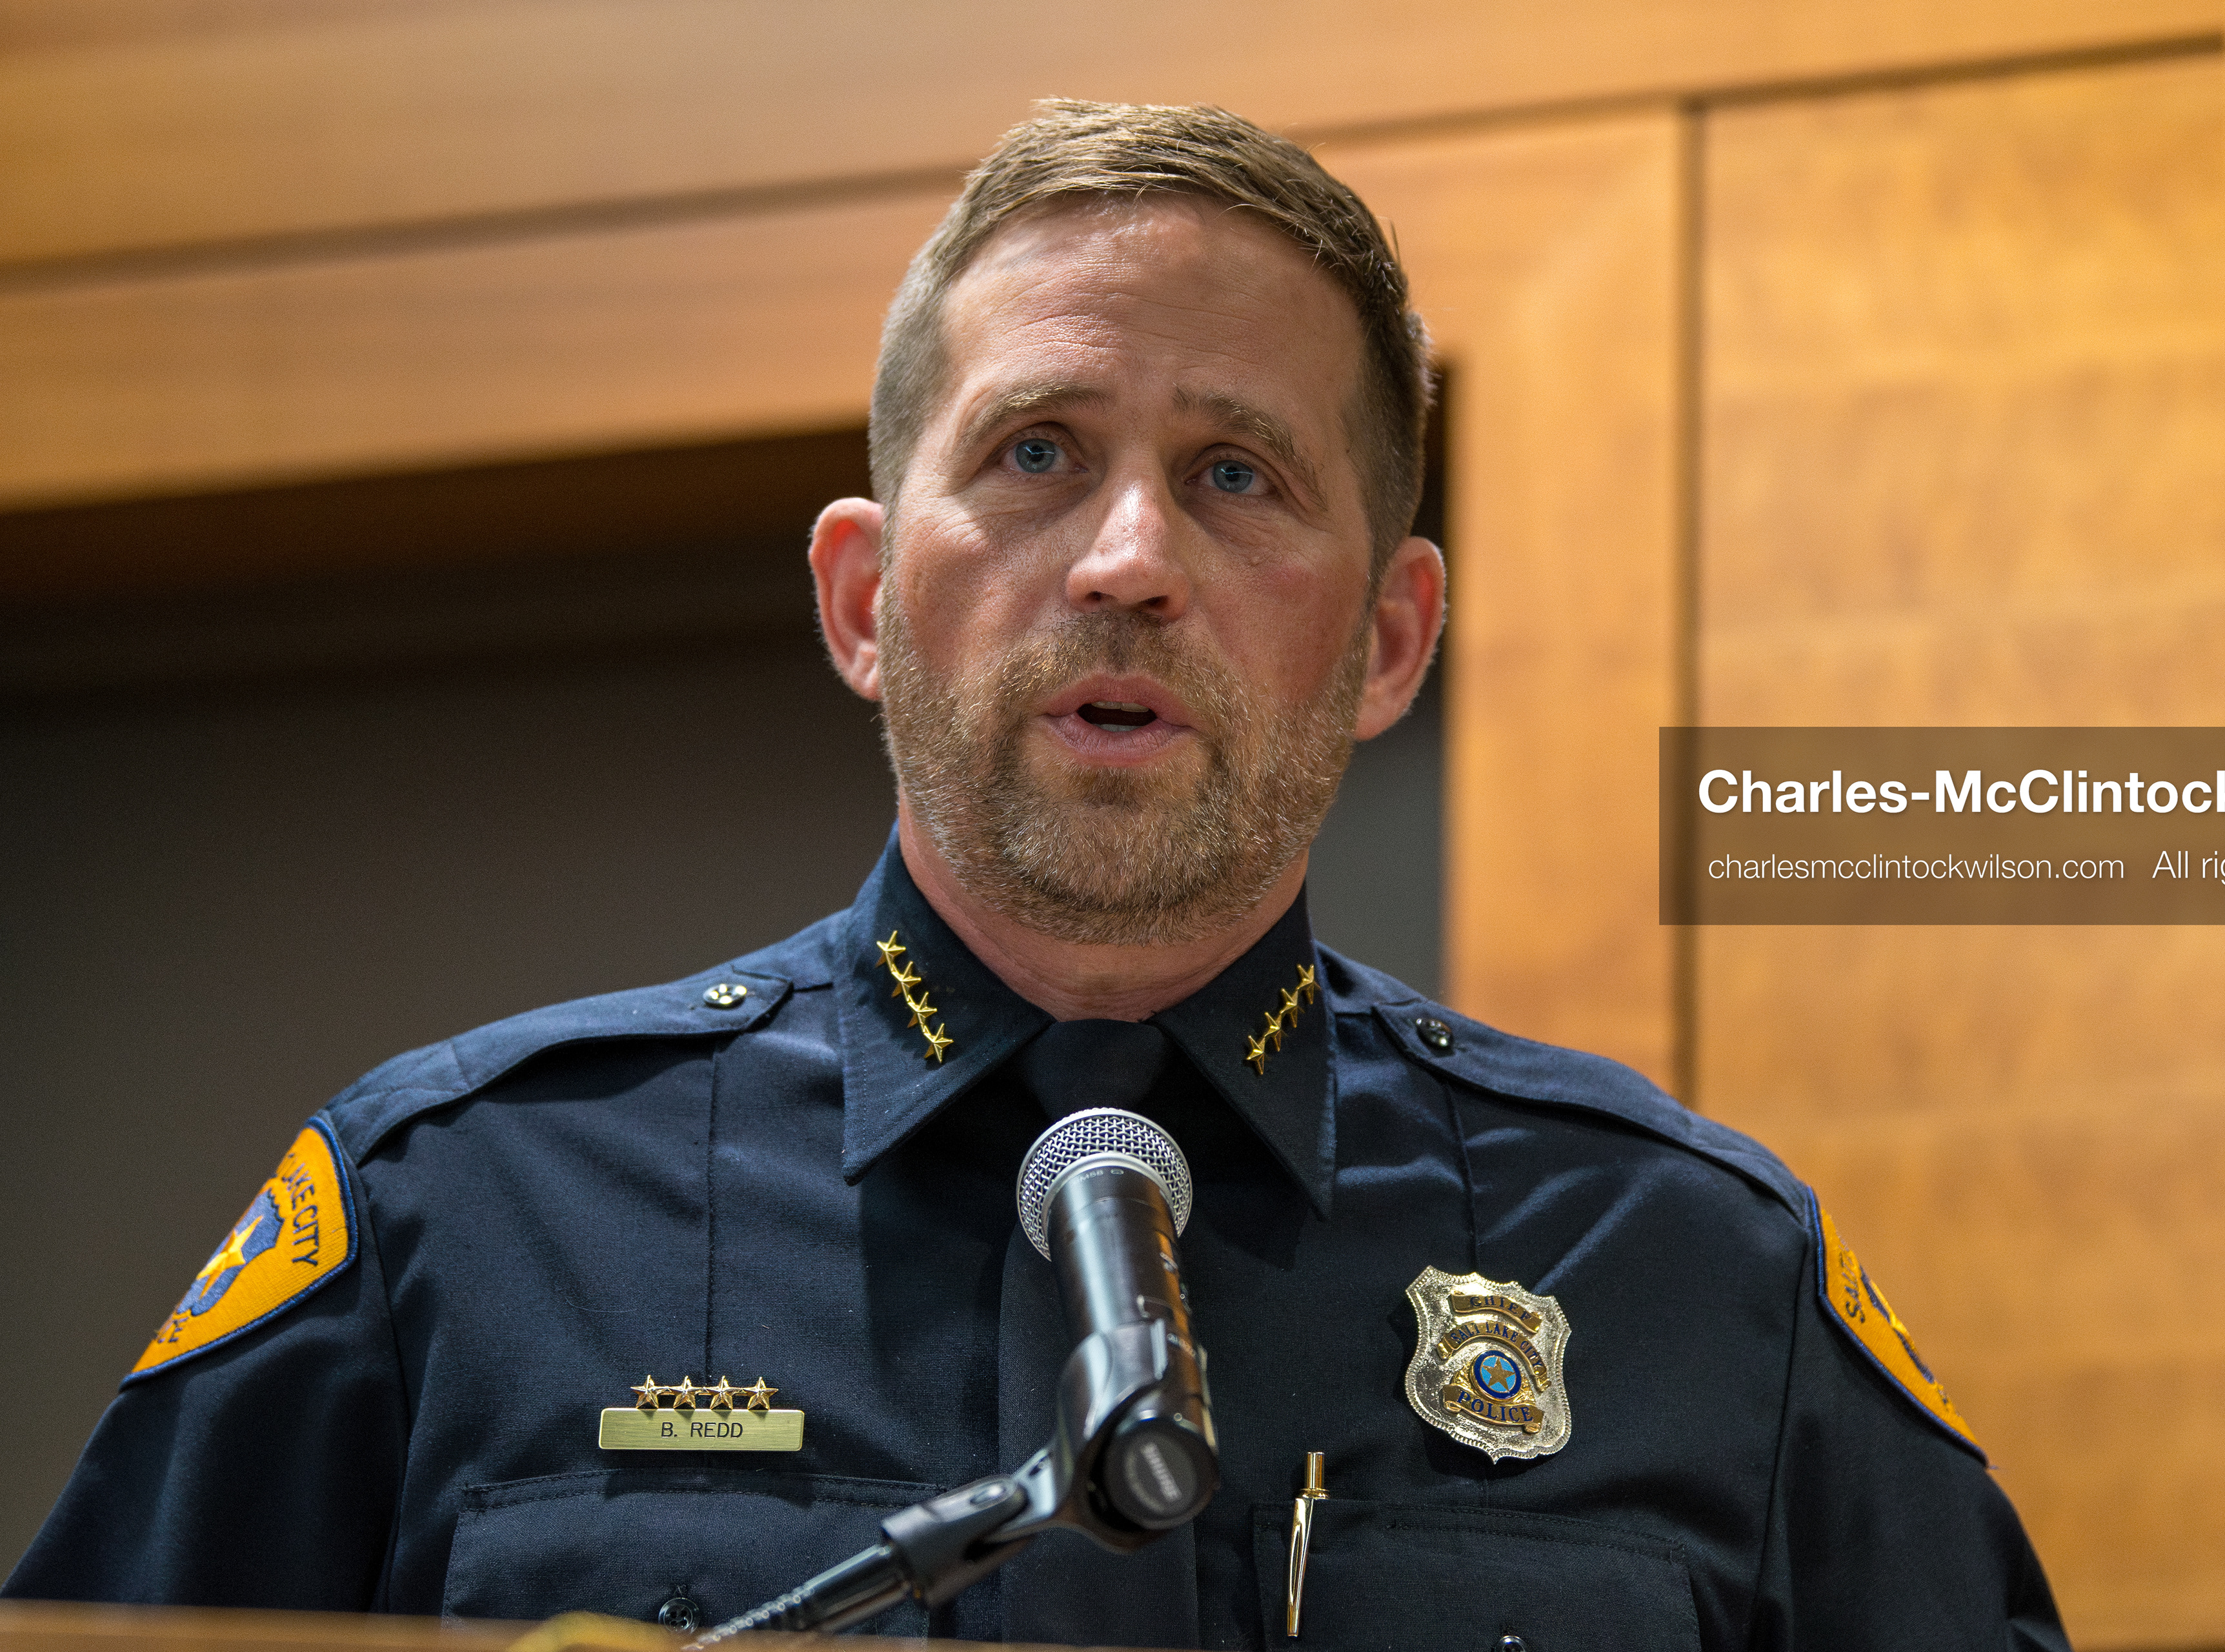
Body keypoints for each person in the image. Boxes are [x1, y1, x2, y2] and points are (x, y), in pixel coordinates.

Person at [6, 102, 2069, 1649]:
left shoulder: (1699, 1277)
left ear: (1387, 643)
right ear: (864, 601)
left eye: (1238, 475)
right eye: (1034, 454)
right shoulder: (453, 1222)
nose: (1125, 560)